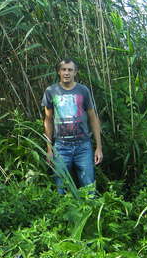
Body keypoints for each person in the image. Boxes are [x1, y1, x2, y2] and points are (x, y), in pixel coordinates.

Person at [42, 58, 103, 195]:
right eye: (64, 69)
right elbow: (48, 119)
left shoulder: (83, 91)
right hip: (61, 147)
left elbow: (93, 118)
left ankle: (91, 214)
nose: (66, 73)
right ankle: (64, 216)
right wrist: (49, 148)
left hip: (83, 146)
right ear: (59, 72)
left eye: (70, 70)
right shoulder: (51, 91)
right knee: (60, 188)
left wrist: (98, 147)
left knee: (89, 188)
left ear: (75, 72)